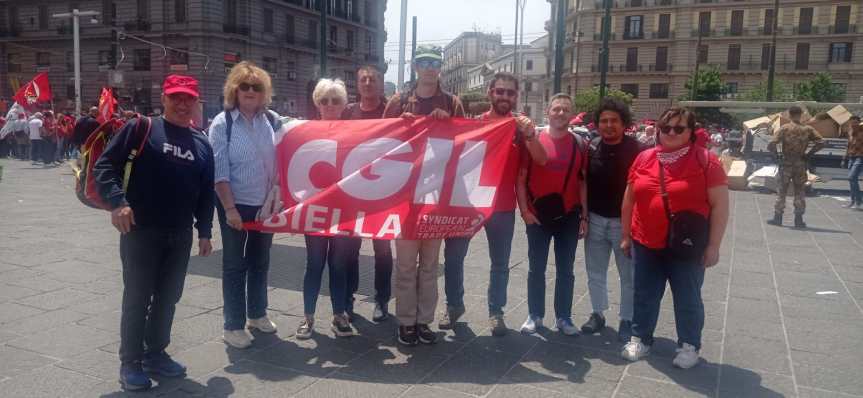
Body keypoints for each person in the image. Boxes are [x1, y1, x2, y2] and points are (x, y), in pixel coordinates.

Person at [93, 74, 215, 391]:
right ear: (163, 98)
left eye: (188, 98)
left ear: (196, 101)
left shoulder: (202, 143)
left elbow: (205, 192)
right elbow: (104, 166)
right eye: (176, 97)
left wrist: (205, 231)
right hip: (141, 231)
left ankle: (156, 353)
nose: (182, 103)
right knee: (137, 297)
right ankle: (130, 362)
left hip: (180, 235)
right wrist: (118, 203)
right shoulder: (142, 128)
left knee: (168, 298)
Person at [620, 107, 729, 369]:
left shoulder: (706, 161)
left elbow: (720, 206)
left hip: (686, 246)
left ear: (691, 132)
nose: (671, 133)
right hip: (646, 242)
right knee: (644, 294)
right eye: (665, 127)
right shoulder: (644, 158)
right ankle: (641, 338)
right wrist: (626, 236)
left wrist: (713, 246)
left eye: (679, 128)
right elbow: (629, 200)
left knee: (687, 296)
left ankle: (689, 345)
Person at [439, 71, 547, 336]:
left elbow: (541, 159)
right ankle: (454, 305)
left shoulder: (521, 128)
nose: (504, 97)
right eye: (500, 91)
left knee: (500, 263)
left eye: (510, 92)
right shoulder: (474, 124)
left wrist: (531, 134)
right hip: (468, 205)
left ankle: (496, 312)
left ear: (516, 96)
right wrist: (439, 121)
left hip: (502, 207)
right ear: (490, 92)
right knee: (453, 258)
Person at [383, 45, 464, 346]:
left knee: (430, 266)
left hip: (436, 198)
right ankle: (405, 321)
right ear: (416, 67)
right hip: (404, 198)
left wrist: (450, 125)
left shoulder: (453, 103)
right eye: (424, 63)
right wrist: (400, 126)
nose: (429, 68)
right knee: (405, 265)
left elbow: (465, 148)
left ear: (440, 67)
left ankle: (424, 320)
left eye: (434, 63)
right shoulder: (399, 101)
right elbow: (381, 143)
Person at [209, 62, 281, 349]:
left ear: (265, 93)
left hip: (265, 205)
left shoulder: (273, 120)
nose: (250, 91)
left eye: (257, 87)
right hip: (235, 203)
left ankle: (257, 313)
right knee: (234, 265)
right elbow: (219, 171)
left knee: (260, 262)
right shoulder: (222, 124)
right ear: (234, 90)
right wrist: (229, 210)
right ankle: (233, 325)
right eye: (245, 86)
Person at [516, 93, 587, 336]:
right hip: (538, 215)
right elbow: (521, 179)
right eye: (556, 109)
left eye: (565, 110)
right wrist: (524, 211)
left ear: (571, 114)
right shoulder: (533, 140)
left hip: (569, 215)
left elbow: (582, 183)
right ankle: (535, 315)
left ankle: (564, 317)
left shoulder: (580, 143)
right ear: (548, 111)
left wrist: (584, 217)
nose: (560, 113)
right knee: (536, 268)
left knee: (566, 270)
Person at [296, 78, 356, 340]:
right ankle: (308, 317)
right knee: (315, 263)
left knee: (340, 265)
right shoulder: (305, 130)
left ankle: (339, 314)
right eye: (324, 101)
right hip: (317, 210)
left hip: (344, 209)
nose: (330, 105)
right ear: (317, 104)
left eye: (336, 100)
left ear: (344, 104)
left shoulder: (357, 133)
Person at [580, 98, 642, 342]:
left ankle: (627, 318)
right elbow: (582, 181)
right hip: (595, 220)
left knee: (628, 276)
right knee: (595, 272)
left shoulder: (637, 150)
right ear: (597, 124)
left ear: (623, 123)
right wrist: (583, 216)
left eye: (613, 120)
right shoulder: (592, 147)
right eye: (603, 121)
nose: (608, 125)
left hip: (623, 225)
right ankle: (598, 314)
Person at [340, 64, 394, 322]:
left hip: (384, 192)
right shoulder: (347, 112)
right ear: (357, 84)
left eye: (373, 79)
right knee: (351, 249)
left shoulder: (392, 111)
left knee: (382, 250)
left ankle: (381, 300)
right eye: (364, 79)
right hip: (354, 193)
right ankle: (348, 298)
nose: (368, 83)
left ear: (380, 83)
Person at [767, 105, 824, 228]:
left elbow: (771, 144)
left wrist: (777, 156)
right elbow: (821, 142)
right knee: (799, 191)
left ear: (789, 114)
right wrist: (808, 154)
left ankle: (778, 218)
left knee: (782, 191)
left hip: (786, 163)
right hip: (800, 164)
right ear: (801, 115)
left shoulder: (784, 128)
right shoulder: (808, 129)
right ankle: (798, 219)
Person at [842, 116, 862, 210]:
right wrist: (844, 158)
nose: (853, 125)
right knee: (851, 180)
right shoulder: (850, 132)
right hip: (851, 157)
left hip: (860, 157)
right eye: (852, 123)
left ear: (859, 123)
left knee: (852, 177)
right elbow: (848, 146)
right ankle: (853, 201)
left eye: (855, 123)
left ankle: (858, 202)